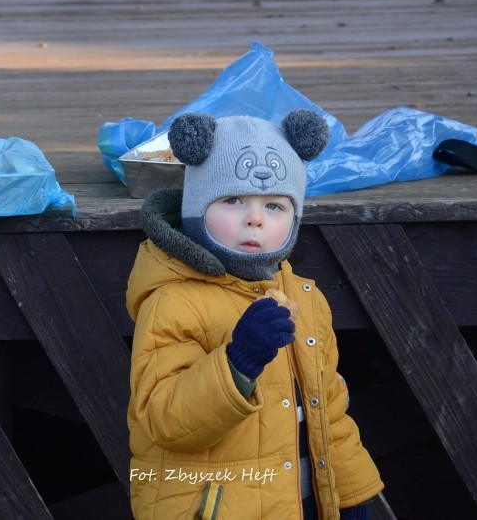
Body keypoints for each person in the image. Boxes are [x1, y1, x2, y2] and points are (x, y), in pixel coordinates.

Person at [126, 110, 384, 519]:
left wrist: (352, 495)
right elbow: (164, 420)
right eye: (232, 200)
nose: (255, 218)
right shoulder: (173, 302)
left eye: (275, 206)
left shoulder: (306, 299)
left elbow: (328, 411)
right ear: (196, 208)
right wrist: (237, 362)